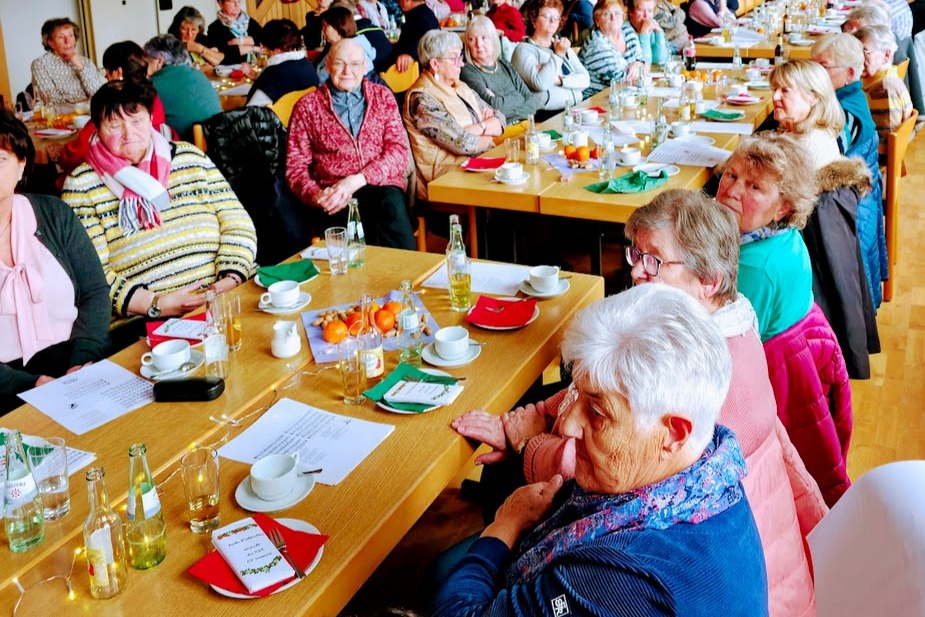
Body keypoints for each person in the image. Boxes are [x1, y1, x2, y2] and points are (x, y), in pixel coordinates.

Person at [454, 189, 826, 617]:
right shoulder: (700, 356)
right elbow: (596, 393)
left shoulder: (626, 573)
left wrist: (517, 483)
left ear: (709, 281)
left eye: (654, 261)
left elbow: (593, 458)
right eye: (635, 255)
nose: (635, 272)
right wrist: (534, 419)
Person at [435, 284, 769, 616]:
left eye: (597, 413)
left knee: (442, 572)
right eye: (575, 394)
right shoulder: (711, 470)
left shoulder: (624, 579)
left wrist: (505, 524)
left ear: (673, 434)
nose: (566, 425)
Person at [716, 133, 852, 506]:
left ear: (782, 208)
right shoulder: (779, 238)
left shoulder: (756, 267)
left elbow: (729, 343)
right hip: (806, 345)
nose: (732, 189)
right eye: (730, 176)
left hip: (774, 371)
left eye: (755, 186)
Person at [61, 80, 256, 321]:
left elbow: (237, 221)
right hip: (148, 319)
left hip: (227, 295)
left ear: (151, 118)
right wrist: (155, 304)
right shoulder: (82, 185)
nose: (128, 134)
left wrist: (232, 277)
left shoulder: (189, 156)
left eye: (136, 121)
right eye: (114, 125)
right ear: (97, 129)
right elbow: (90, 275)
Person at [0, 110, 110, 415]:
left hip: (77, 368)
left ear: (21, 165)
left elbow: (94, 292)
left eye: (0, 160)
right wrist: (30, 385)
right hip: (7, 389)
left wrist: (83, 359)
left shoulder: (53, 215)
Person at [286, 39, 416, 250]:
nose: (347, 71)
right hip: (334, 198)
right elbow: (295, 169)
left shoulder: (382, 97)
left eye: (355, 64)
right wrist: (317, 195)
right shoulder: (307, 107)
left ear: (365, 67)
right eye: (339, 63)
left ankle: (402, 277)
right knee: (375, 220)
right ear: (327, 65)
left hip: (382, 189)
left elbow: (399, 152)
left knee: (388, 204)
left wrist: (357, 180)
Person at [813, 33, 887, 308]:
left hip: (849, 211)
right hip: (862, 202)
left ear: (850, 73)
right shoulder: (852, 96)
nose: (814, 72)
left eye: (822, 66)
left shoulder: (843, 113)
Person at [47, 41, 173, 187]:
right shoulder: (151, 97)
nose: (106, 77)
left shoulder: (114, 104)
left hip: (117, 175)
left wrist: (61, 153)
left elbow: (79, 152)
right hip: (153, 166)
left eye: (107, 72)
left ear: (118, 72)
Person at [403, 31, 504, 199]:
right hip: (446, 175)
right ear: (435, 64)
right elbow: (462, 143)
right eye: (454, 58)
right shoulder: (421, 99)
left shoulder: (459, 86)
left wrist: (479, 128)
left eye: (460, 57)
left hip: (477, 162)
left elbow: (500, 118)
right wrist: (487, 129)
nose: (462, 64)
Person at [512, 0, 590, 112]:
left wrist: (557, 80)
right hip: (546, 117)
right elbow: (541, 83)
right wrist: (558, 55)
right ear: (534, 20)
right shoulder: (523, 50)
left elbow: (585, 79)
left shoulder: (562, 45)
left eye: (556, 17)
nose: (552, 21)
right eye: (547, 16)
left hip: (575, 110)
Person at [144, 34, 223, 141]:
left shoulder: (153, 85)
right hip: (219, 142)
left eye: (147, 61)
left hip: (187, 150)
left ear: (159, 61)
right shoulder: (197, 74)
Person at [769, 59, 844, 169]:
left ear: (813, 97)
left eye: (785, 90)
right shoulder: (794, 132)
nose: (775, 97)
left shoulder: (809, 147)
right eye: (775, 89)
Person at [460, 16, 536, 125]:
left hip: (526, 125)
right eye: (472, 39)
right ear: (468, 45)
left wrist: (500, 102)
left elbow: (532, 102)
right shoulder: (468, 71)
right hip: (501, 132)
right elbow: (494, 106)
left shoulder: (505, 65)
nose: (479, 44)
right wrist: (518, 97)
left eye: (484, 37)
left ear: (493, 39)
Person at [854, 25, 915, 158]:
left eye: (865, 51)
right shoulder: (885, 79)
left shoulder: (884, 90)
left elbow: (883, 148)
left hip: (872, 164)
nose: (858, 58)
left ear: (886, 55)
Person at [31, 18, 106, 106]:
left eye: (71, 35)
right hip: (63, 117)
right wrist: (83, 101)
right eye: (61, 37)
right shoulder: (40, 64)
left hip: (92, 114)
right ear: (51, 43)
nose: (68, 41)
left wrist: (81, 68)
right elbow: (51, 99)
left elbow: (100, 94)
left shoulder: (86, 62)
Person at [246, 19, 319, 107]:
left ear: (275, 50)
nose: (264, 51)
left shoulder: (271, 75)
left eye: (265, 48)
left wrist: (262, 79)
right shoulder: (308, 65)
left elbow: (250, 110)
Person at [579, 0, 643, 98]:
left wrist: (638, 64)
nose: (613, 18)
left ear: (623, 16)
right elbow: (621, 79)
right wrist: (638, 66)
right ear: (597, 20)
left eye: (617, 13)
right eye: (606, 14)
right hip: (596, 102)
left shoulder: (628, 32)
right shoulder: (596, 44)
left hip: (623, 96)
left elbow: (643, 62)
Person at [314, 7, 379, 83]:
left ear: (338, 25)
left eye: (325, 26)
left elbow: (322, 78)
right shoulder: (338, 46)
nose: (322, 31)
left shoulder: (348, 51)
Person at [207, 0, 263, 65]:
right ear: (220, 3)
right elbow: (224, 55)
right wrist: (252, 47)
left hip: (258, 65)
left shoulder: (249, 21)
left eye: (239, 1)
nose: (237, 5)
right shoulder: (214, 28)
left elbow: (264, 39)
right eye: (232, 2)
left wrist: (241, 41)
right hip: (234, 71)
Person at [390, 0, 441, 71]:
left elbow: (414, 47)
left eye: (399, 1)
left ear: (406, 0)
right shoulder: (425, 13)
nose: (398, 3)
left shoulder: (419, 18)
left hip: (418, 71)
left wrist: (409, 54)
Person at [627, 0, 667, 65]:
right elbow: (644, 65)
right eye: (641, 10)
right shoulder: (625, 30)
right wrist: (643, 34)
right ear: (630, 12)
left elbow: (660, 60)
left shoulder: (652, 26)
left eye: (650, 11)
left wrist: (659, 34)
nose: (646, 16)